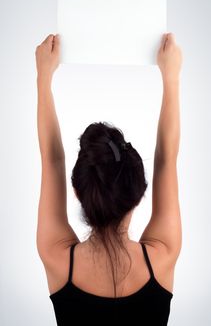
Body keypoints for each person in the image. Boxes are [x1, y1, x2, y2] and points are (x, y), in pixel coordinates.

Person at [35, 32, 183, 325]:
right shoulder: (162, 257)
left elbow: (51, 162)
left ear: (77, 192)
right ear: (139, 194)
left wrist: (43, 78)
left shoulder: (58, 260)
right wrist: (171, 77)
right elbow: (166, 158)